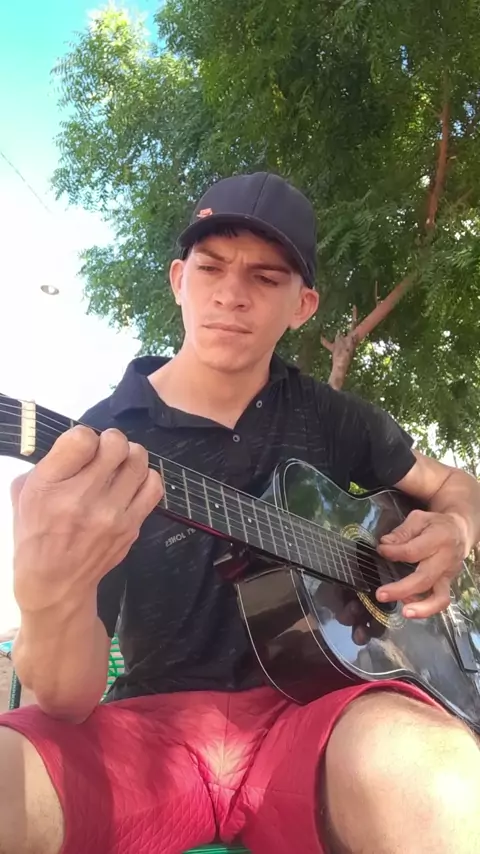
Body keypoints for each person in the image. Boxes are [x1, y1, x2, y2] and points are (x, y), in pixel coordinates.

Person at [0, 171, 479, 854]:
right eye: (211, 267)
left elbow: (456, 484)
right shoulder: (101, 441)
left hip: (323, 719)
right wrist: (49, 598)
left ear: (302, 305)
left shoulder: (335, 418)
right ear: (178, 280)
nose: (230, 293)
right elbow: (67, 701)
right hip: (153, 732)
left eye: (265, 276)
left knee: (442, 781)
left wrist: (456, 527)